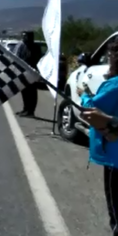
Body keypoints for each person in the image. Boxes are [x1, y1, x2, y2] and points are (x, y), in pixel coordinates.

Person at [78, 40, 118, 235]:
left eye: (110, 55)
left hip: (115, 159)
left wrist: (84, 95)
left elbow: (90, 109)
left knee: (116, 213)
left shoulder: (114, 84)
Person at [15, 31, 43, 117]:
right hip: (23, 72)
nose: (24, 38)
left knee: (32, 93)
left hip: (32, 73)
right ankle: (25, 109)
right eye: (24, 36)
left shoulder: (35, 47)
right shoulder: (22, 46)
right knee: (24, 91)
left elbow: (37, 59)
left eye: (26, 36)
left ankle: (31, 111)